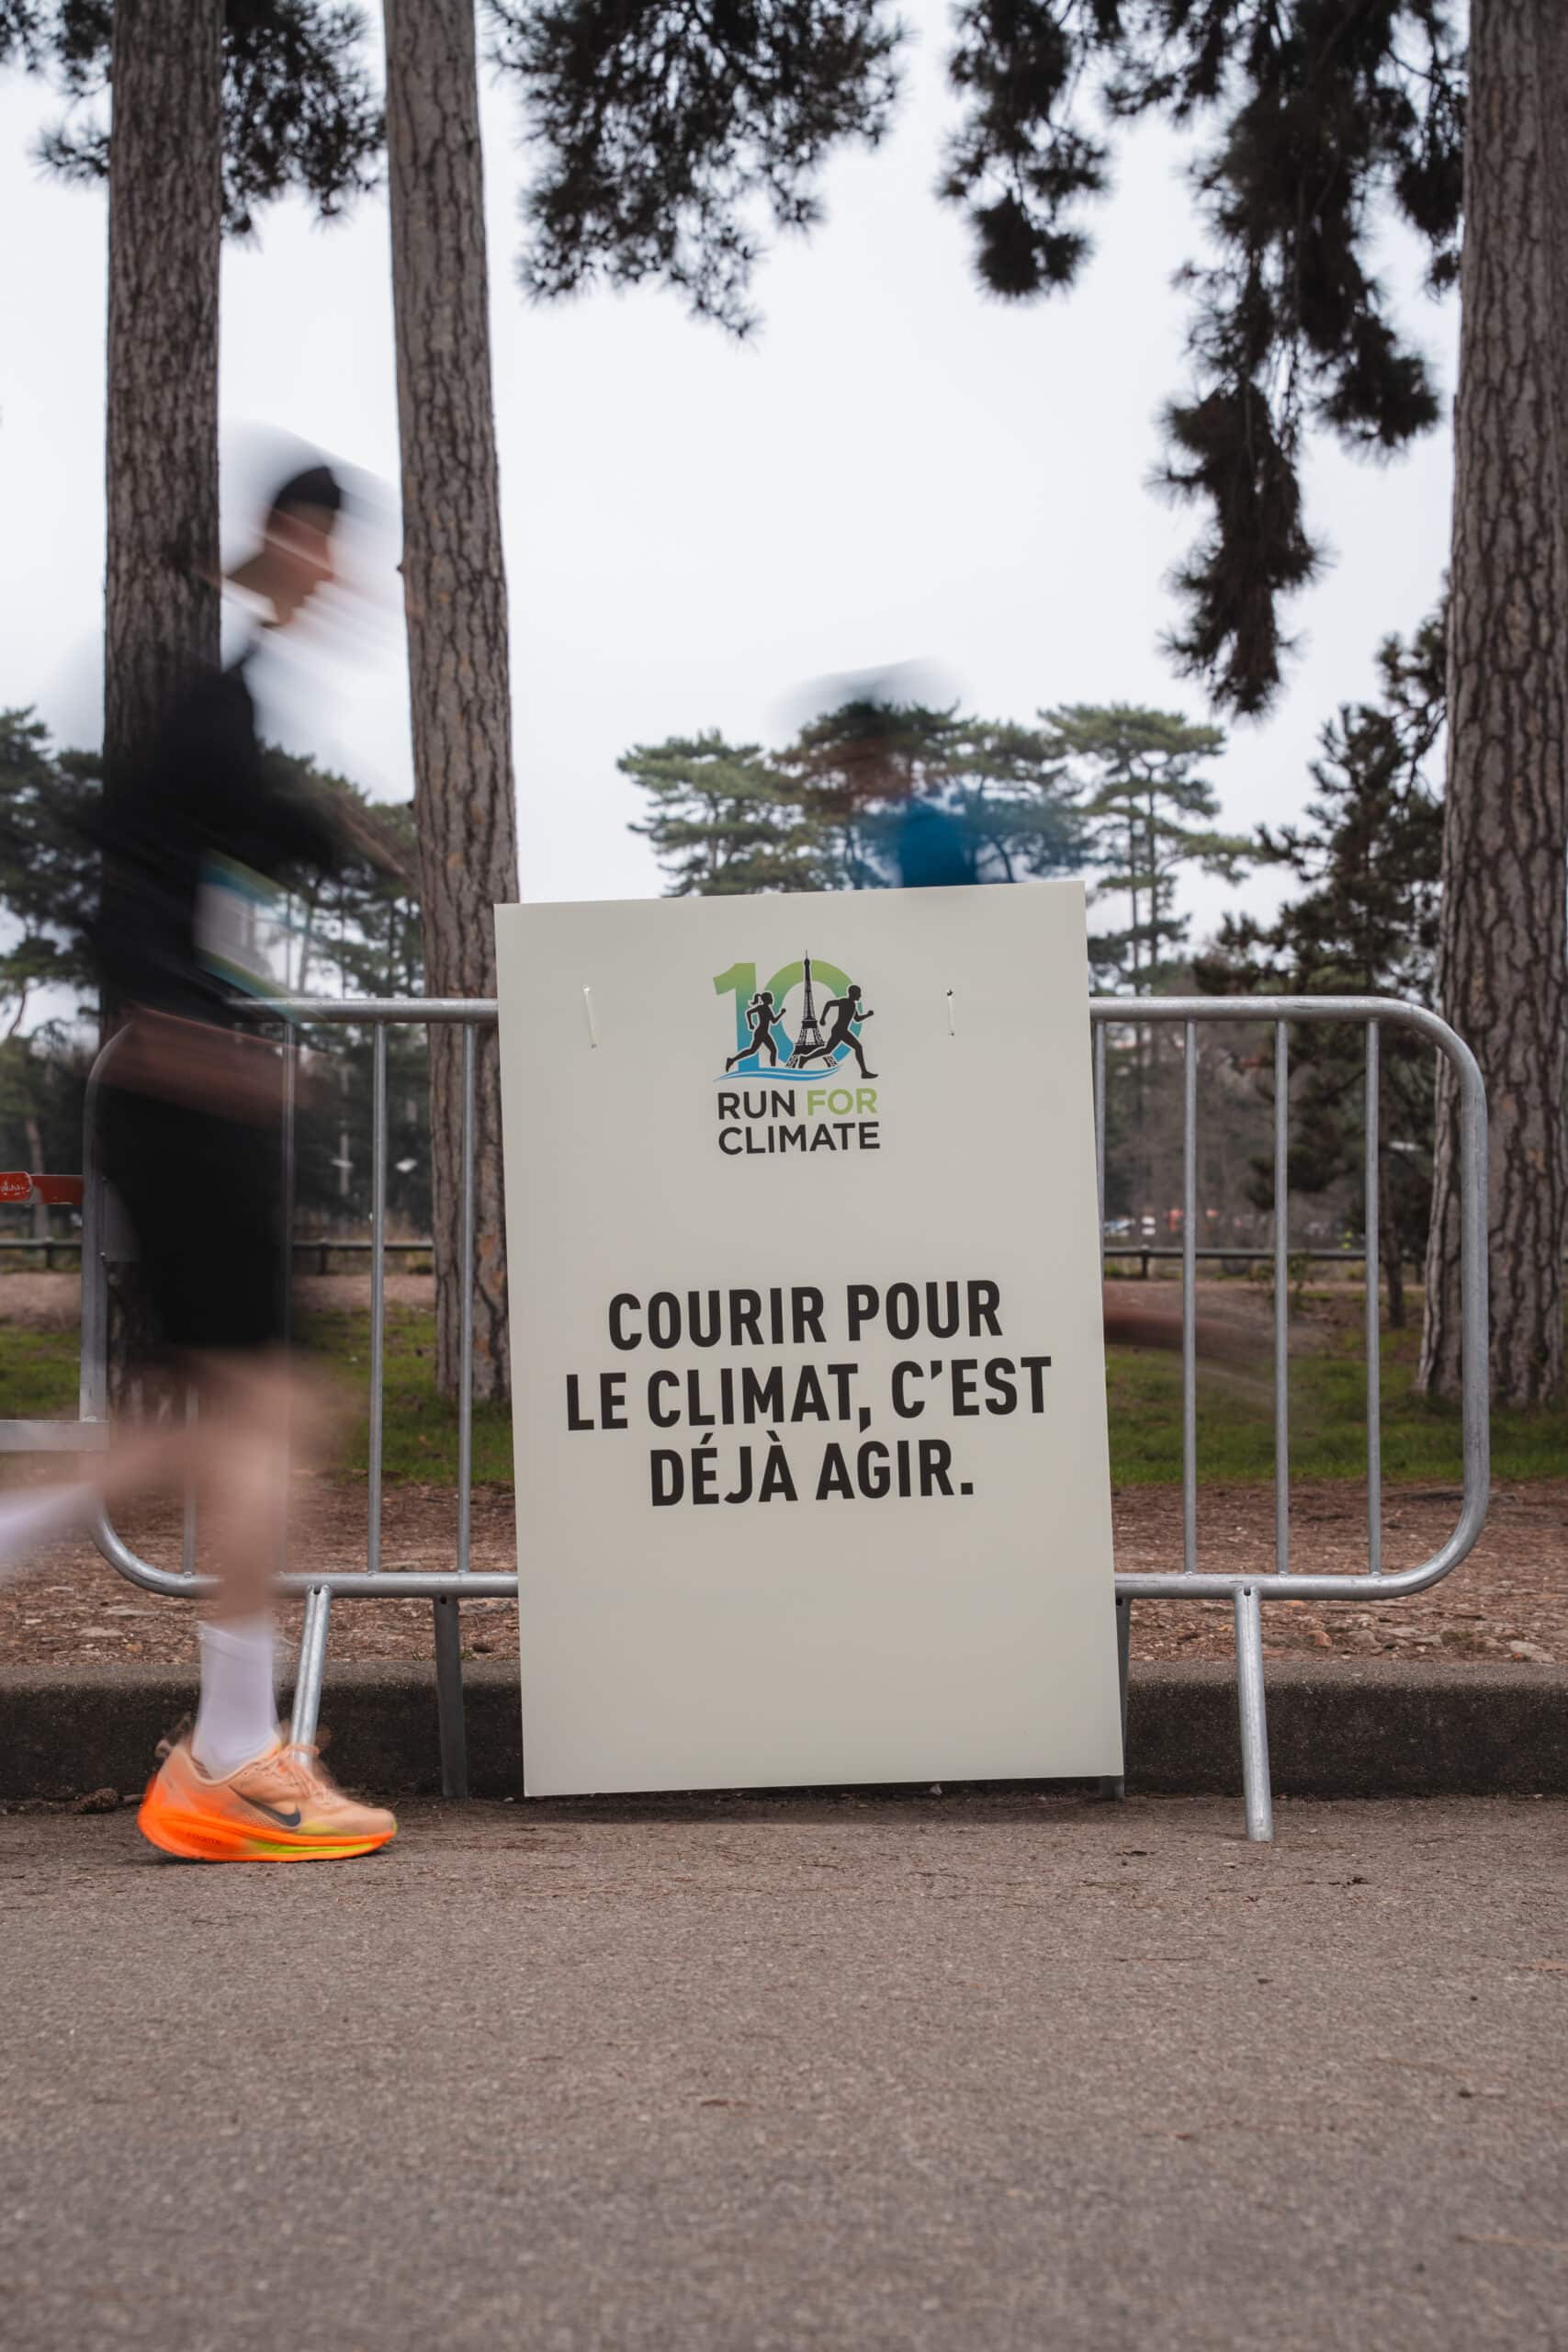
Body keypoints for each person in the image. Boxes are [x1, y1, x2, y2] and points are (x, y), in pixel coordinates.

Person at [0, 460, 400, 1861]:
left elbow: (198, 853)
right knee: (268, 1416)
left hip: (190, 1090)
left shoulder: (231, 702)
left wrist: (327, 840)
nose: (348, 580)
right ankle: (231, 1757)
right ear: (294, 541)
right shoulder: (205, 701)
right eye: (337, 549)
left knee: (233, 1416)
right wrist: (182, 1032)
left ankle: (229, 1739)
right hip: (183, 1091)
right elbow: (113, 865)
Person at [726, 990, 782, 1071]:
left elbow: (773, 1021)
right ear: (767, 999)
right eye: (771, 998)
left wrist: (781, 1013)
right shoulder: (762, 1007)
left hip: (764, 1033)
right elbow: (748, 1012)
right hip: (761, 1033)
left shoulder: (767, 1008)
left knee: (757, 1050)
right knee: (761, 1050)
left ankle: (732, 1060)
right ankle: (773, 1069)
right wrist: (750, 1024)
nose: (772, 999)